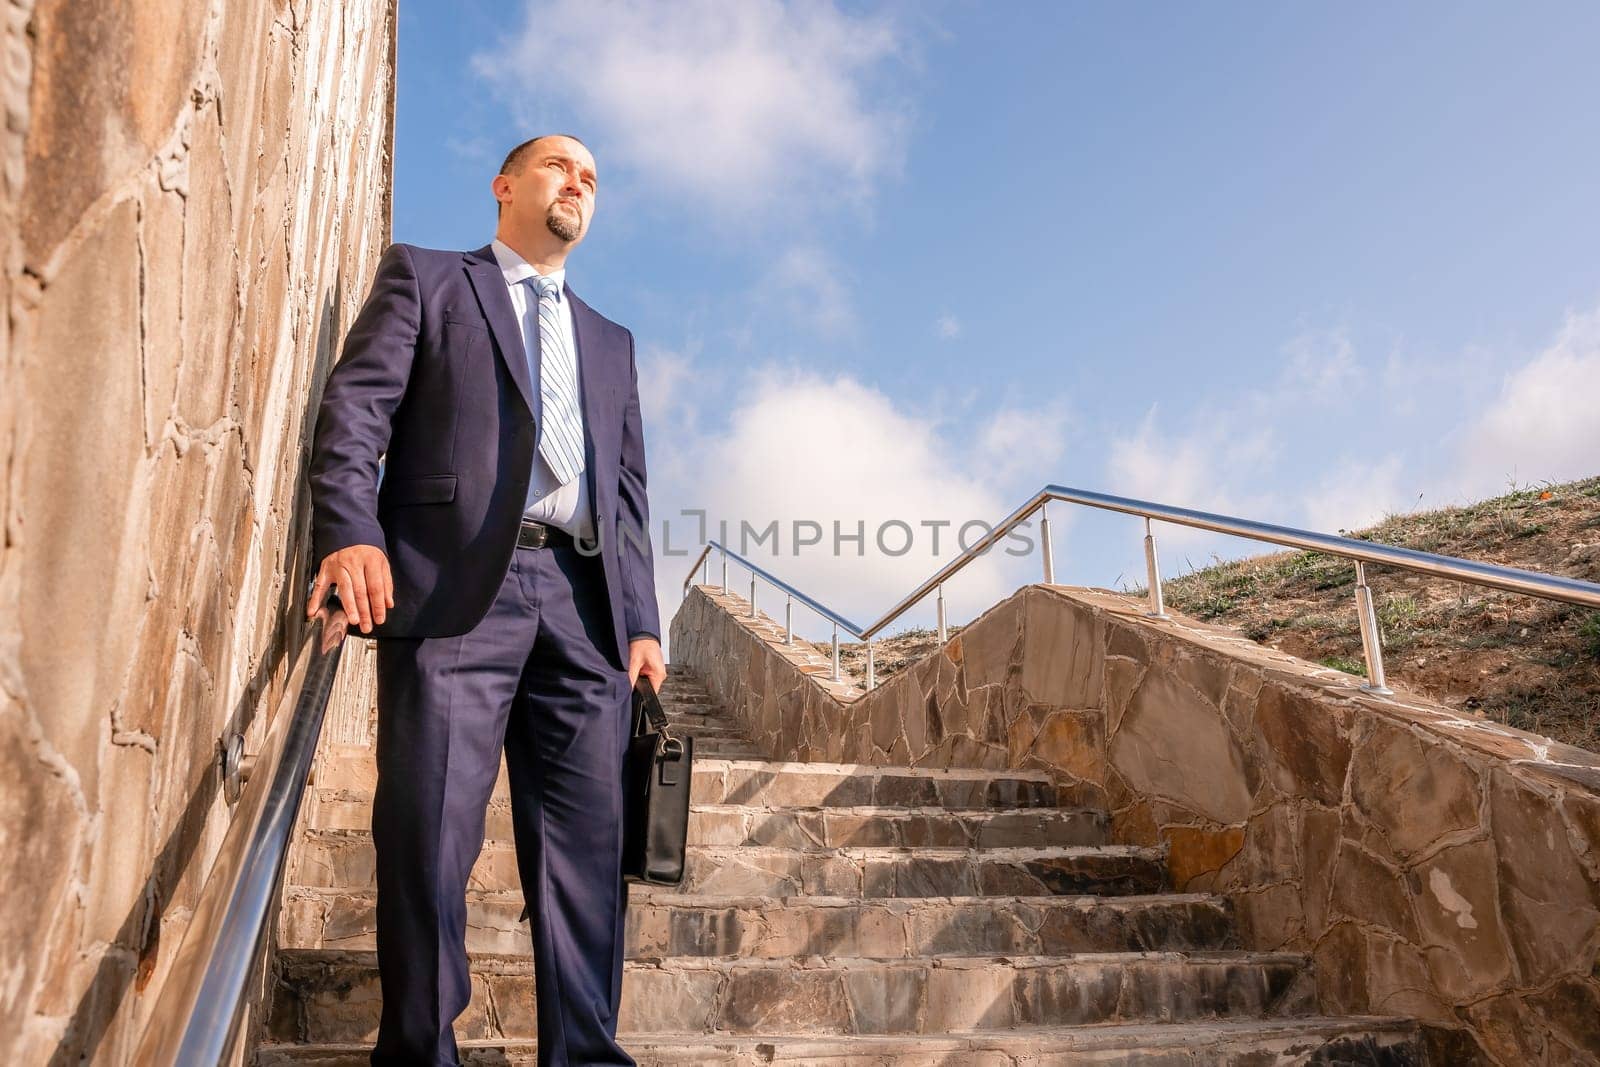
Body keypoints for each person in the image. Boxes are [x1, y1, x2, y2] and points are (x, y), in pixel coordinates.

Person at [306, 133, 663, 1067]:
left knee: (588, 853)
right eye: (558, 165)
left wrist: (643, 622)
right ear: (505, 186)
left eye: (592, 175)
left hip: (585, 610)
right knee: (428, 830)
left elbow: (626, 495)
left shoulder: (612, 342)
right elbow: (357, 411)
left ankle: (584, 1053)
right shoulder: (426, 279)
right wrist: (350, 528)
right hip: (457, 586)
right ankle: (422, 1050)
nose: (578, 182)